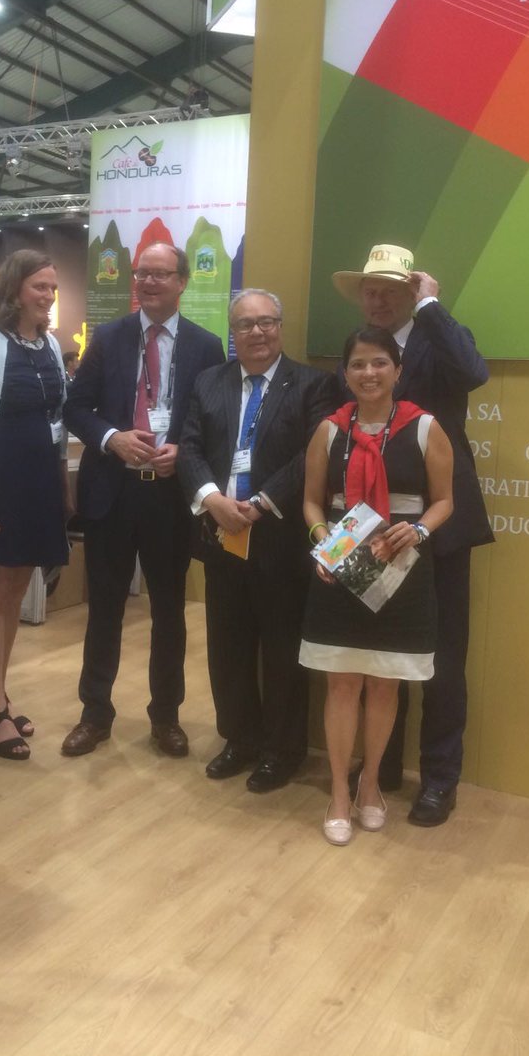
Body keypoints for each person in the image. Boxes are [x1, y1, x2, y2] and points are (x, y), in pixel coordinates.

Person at [332, 244, 493, 826]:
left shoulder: (438, 337)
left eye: (390, 291)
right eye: (369, 290)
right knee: (381, 653)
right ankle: (380, 769)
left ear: (411, 293)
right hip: (372, 526)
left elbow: (473, 373)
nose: (376, 300)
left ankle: (440, 779)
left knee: (443, 658)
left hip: (439, 527)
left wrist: (431, 306)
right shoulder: (360, 351)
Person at [61, 241, 225, 758]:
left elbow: (214, 419)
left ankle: (166, 717)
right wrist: (112, 437)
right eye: (142, 273)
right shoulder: (108, 337)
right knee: (104, 610)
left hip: (170, 497)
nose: (149, 282)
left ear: (182, 282)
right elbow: (75, 408)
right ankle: (94, 714)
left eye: (161, 274)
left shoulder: (206, 346)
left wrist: (185, 450)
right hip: (112, 491)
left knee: (169, 611)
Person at [177, 289, 337, 792]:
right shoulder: (209, 382)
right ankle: (239, 739)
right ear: (233, 333)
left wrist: (262, 502)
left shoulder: (313, 384)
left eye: (267, 322)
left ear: (280, 327)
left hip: (280, 539)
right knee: (227, 646)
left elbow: (314, 454)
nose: (257, 332)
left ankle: (283, 750)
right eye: (245, 324)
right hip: (221, 534)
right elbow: (189, 448)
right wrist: (212, 499)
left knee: (283, 650)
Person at [301, 327, 454, 845]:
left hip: (402, 567)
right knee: (342, 684)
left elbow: (444, 500)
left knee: (385, 684)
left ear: (398, 370)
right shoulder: (328, 430)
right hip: (341, 566)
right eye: (359, 364)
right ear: (345, 373)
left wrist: (421, 530)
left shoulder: (424, 427)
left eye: (380, 363)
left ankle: (370, 784)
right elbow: (313, 502)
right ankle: (339, 792)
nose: (369, 373)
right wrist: (324, 542)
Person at [0, 249, 71, 760]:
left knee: (18, 588)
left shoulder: (50, 344)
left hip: (40, 476)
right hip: (0, 474)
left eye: (52, 288)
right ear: (15, 289)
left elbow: (57, 420)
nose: (48, 296)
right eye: (39, 286)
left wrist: (61, 482)